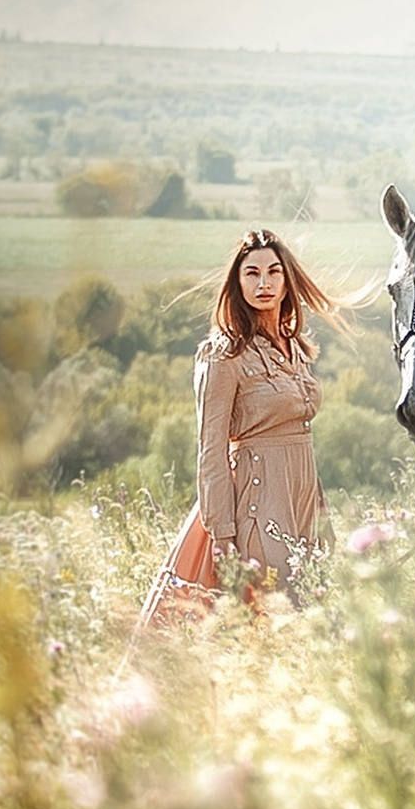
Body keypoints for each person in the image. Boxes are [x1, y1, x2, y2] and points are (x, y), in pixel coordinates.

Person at [141, 229, 351, 623]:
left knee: (315, 610)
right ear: (237, 284)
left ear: (287, 281)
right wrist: (222, 533)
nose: (264, 283)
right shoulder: (224, 353)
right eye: (251, 274)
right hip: (256, 502)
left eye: (274, 272)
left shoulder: (295, 347)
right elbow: (211, 448)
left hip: (304, 499)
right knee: (276, 613)